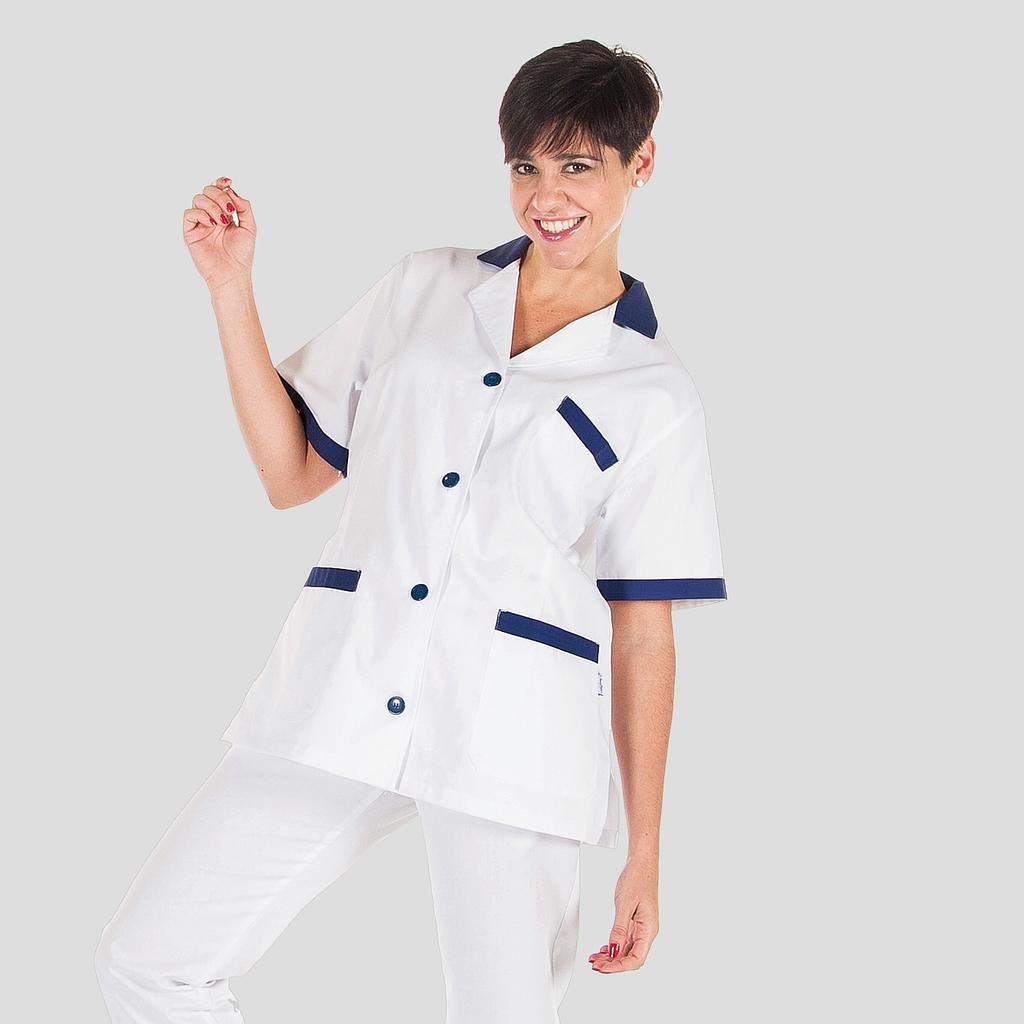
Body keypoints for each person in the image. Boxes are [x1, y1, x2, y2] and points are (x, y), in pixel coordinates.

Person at [94, 38, 728, 1023]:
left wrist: (644, 849)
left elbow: (645, 628)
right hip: (345, 682)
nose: (546, 197)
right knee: (149, 962)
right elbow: (291, 474)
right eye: (525, 166)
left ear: (639, 163)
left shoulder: (653, 391)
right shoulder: (425, 288)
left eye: (577, 166)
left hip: (511, 728)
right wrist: (230, 288)